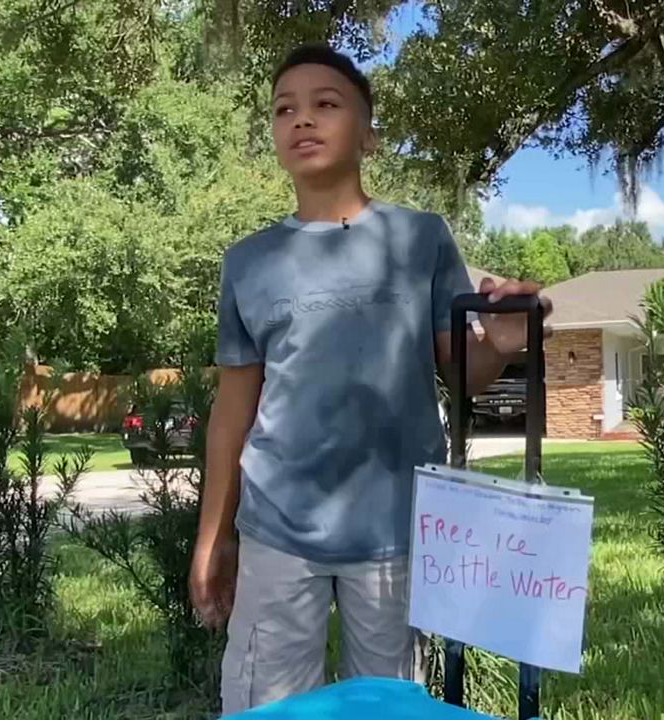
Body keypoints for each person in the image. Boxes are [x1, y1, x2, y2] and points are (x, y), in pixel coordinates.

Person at [187, 44, 552, 716]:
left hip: (396, 534)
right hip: (276, 531)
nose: (302, 120)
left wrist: (501, 349)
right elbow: (232, 413)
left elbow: (462, 377)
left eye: (326, 104)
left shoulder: (420, 239)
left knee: (390, 707)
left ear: (369, 134)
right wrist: (214, 537)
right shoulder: (248, 262)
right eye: (284, 109)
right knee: (261, 710)